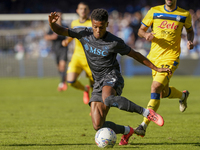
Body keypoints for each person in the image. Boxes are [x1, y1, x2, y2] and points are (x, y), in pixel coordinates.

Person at [48, 9, 172, 145]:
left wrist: (156, 68)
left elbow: (135, 54)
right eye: (95, 27)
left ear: (107, 24)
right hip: (98, 81)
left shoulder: (114, 42)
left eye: (101, 27)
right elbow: (60, 31)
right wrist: (52, 24)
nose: (97, 30)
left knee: (108, 99)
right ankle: (128, 130)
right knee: (98, 125)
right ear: (92, 24)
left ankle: (147, 113)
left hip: (112, 76)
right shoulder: (83, 33)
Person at [134, 0, 194, 137]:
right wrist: (146, 35)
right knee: (161, 93)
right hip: (154, 58)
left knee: (155, 87)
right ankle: (183, 95)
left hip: (170, 58)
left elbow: (190, 31)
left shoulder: (184, 14)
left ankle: (143, 125)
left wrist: (190, 41)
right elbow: (140, 31)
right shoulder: (154, 11)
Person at [62, 2, 93, 104]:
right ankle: (85, 89)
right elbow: (72, 34)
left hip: (90, 58)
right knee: (70, 81)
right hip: (77, 57)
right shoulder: (74, 23)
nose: (83, 10)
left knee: (95, 86)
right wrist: (67, 40)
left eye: (85, 9)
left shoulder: (92, 23)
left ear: (88, 11)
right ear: (77, 11)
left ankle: (94, 110)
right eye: (81, 9)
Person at [44, 12, 68, 91]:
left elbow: (70, 36)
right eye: (58, 16)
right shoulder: (52, 27)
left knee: (62, 65)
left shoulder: (65, 27)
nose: (59, 18)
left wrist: (67, 41)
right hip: (55, 49)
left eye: (60, 16)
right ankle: (63, 78)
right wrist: (52, 37)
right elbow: (46, 37)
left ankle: (62, 83)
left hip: (63, 49)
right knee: (59, 67)